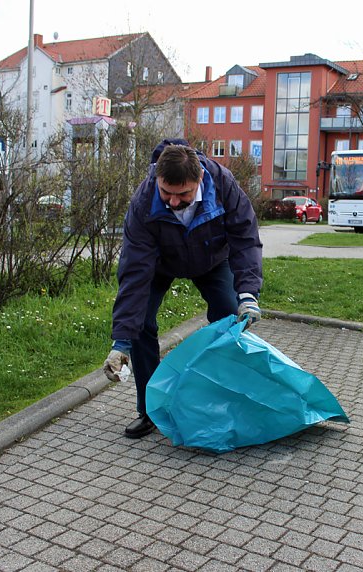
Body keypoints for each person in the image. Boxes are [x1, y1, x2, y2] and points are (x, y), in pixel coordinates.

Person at [102, 139, 264, 439]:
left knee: (230, 318)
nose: (173, 202)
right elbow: (135, 272)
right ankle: (150, 410)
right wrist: (121, 342)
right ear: (157, 179)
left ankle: (227, 402)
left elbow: (245, 239)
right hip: (160, 264)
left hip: (213, 260)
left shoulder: (223, 184)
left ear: (200, 178)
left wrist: (248, 295)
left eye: (183, 194)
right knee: (141, 326)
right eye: (167, 193)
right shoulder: (144, 201)